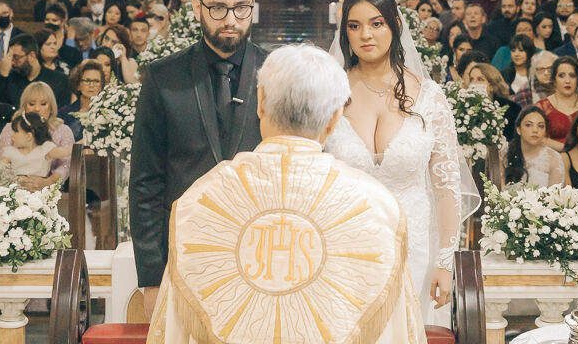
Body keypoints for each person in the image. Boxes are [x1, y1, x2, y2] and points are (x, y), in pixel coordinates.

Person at [149, 44, 425, 343]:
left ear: (260, 102)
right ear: (336, 117)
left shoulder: (199, 202)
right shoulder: (376, 208)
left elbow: (173, 331)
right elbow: (398, 331)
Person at [324, 0, 478, 323]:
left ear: (394, 25)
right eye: (354, 26)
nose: (366, 35)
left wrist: (445, 262)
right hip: (343, 249)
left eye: (376, 23)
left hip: (414, 249)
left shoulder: (430, 97)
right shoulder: (329, 95)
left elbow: (446, 189)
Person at [130, 0, 267, 319]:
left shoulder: (277, 73)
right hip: (185, 256)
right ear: (196, 7)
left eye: (241, 7)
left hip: (263, 256)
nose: (231, 19)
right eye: (218, 8)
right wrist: (151, 278)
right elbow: (145, 182)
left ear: (253, 5)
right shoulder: (163, 77)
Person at [0, 82, 75, 191]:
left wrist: (49, 182)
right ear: (24, 107)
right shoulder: (11, 128)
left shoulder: (63, 131)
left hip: (51, 190)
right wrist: (17, 182)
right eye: (31, 104)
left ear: (51, 107)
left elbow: (66, 164)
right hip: (12, 189)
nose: (37, 109)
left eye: (43, 104)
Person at [0, 33, 71, 110]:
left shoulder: (60, 80)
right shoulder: (8, 78)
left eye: (16, 57)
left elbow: (63, 111)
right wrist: (3, 75)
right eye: (10, 58)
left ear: (32, 56)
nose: (12, 63)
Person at [536, 56, 578, 149]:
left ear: (577, 80)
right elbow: (537, 138)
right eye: (561, 75)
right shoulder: (542, 107)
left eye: (572, 76)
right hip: (552, 156)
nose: (567, 81)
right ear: (554, 80)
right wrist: (567, 150)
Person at [502, 106, 565, 187]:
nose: (535, 130)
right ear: (518, 130)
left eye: (540, 126)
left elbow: (555, 193)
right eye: (528, 125)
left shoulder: (554, 158)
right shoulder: (504, 153)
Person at [0, 111, 72, 178]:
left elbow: (65, 151)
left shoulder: (45, 149)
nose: (12, 135)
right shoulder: (10, 152)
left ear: (28, 136)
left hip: (40, 188)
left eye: (16, 132)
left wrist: (79, 144)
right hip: (15, 188)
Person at [60, 59, 105, 141]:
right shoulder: (64, 113)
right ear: (78, 85)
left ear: (101, 86)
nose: (91, 85)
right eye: (87, 80)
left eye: (96, 81)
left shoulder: (107, 113)